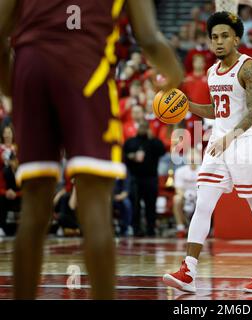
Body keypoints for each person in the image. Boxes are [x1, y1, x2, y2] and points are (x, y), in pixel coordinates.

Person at [0, 0, 183, 299]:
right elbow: (148, 38)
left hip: (30, 67)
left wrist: (12, 86)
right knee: (95, 207)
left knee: (33, 208)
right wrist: (175, 76)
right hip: (86, 70)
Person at [163, 12, 252, 294]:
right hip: (220, 141)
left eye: (224, 36)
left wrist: (231, 136)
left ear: (236, 38)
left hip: (247, 141)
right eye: (214, 37)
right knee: (203, 202)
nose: (218, 42)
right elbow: (219, 110)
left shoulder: (249, 68)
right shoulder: (211, 72)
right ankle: (189, 270)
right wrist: (188, 105)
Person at [123, 120, 166, 237]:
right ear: (137, 128)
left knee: (151, 205)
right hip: (135, 178)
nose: (143, 129)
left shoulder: (154, 142)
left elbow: (162, 151)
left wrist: (153, 138)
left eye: (145, 127)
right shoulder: (131, 142)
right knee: (135, 205)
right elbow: (124, 156)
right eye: (141, 126)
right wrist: (132, 156)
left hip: (151, 178)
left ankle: (151, 229)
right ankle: (136, 229)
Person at [173, 150, 201, 238]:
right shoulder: (180, 171)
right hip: (184, 195)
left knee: (208, 201)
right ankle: (180, 227)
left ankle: (201, 228)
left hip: (199, 195)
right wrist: (186, 196)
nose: (192, 159)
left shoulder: (203, 170)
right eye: (191, 157)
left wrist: (196, 196)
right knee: (177, 199)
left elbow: (205, 188)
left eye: (194, 156)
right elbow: (178, 189)